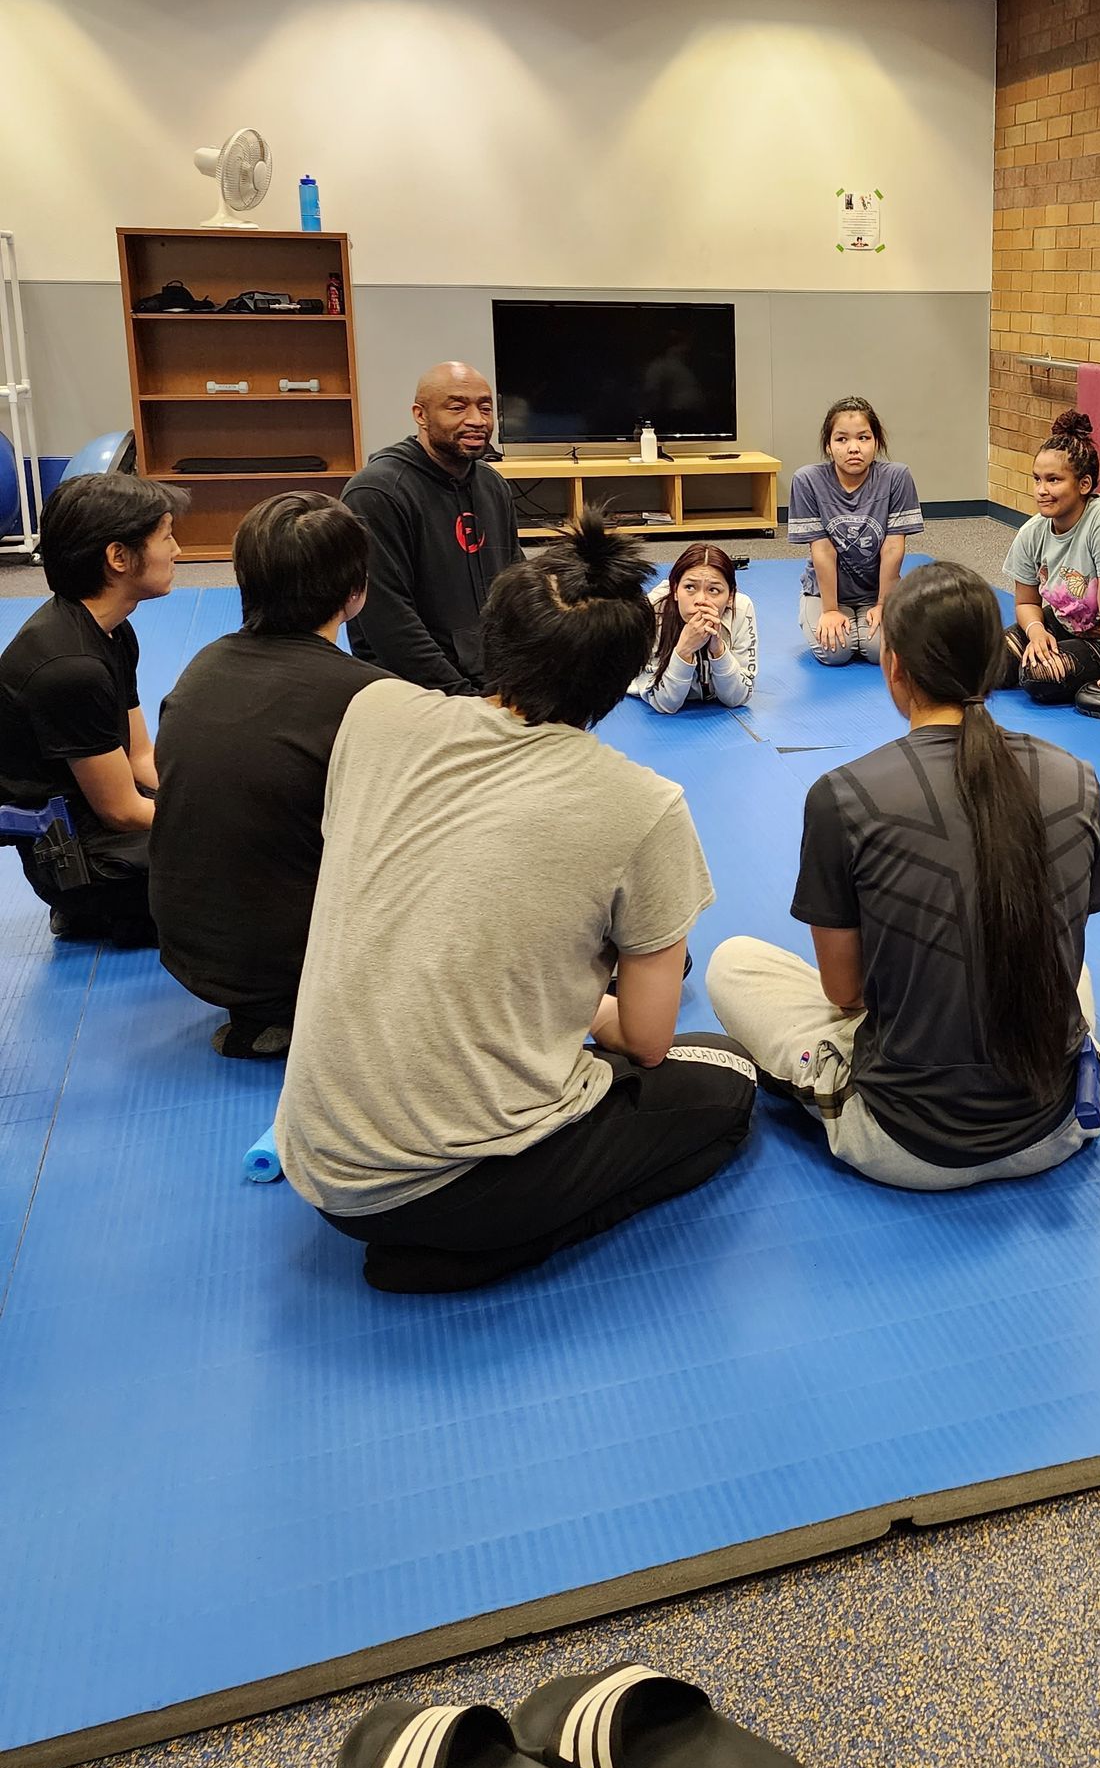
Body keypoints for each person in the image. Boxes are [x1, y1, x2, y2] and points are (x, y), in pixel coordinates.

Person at [275, 512, 755, 1293]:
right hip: (450, 1184)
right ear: (622, 671)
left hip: (318, 1151)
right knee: (727, 1079)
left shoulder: (373, 712)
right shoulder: (645, 805)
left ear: (490, 632)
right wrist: (590, 1011)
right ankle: (492, 1245)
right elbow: (647, 1042)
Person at [707, 560, 1100, 1189]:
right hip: (1060, 1124)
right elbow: (1071, 930)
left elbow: (845, 993)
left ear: (894, 667)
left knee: (732, 963)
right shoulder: (1077, 776)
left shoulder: (842, 795)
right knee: (1070, 970)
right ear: (992, 663)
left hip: (909, 1143)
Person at [150, 493, 389, 1059]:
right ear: (355, 592)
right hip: (294, 962)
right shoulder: (368, 695)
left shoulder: (203, 664)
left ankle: (268, 1012)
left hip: (187, 947)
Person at [0, 471, 182, 944]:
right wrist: (217, 822)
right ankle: (91, 910)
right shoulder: (69, 667)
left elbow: (140, 757)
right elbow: (122, 811)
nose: (177, 551)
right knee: (261, 861)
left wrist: (204, 795)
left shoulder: (111, 629)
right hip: (79, 860)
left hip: (98, 823)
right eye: (166, 537)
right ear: (118, 557)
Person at [342, 360, 522, 693]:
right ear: (420, 415)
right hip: (412, 686)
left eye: (485, 408)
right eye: (457, 408)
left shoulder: (492, 485)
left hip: (492, 680)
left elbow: (517, 585)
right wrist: (462, 698)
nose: (477, 421)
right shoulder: (377, 492)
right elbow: (387, 620)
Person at [995, 410, 1100, 716]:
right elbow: (1025, 602)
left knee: (1038, 678)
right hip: (1067, 625)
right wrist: (1036, 633)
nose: (1042, 490)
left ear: (1084, 484)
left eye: (1054, 480)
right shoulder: (1032, 532)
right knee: (991, 662)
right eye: (1037, 480)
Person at [788, 396, 922, 665]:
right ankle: (823, 613)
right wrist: (830, 610)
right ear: (828, 446)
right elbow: (823, 549)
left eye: (863, 438)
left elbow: (893, 547)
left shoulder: (897, 477)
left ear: (876, 442)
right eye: (841, 439)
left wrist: (884, 605)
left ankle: (869, 620)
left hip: (877, 590)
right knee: (835, 653)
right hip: (826, 591)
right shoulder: (808, 480)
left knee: (878, 653)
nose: (853, 448)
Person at [628, 542, 758, 713]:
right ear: (675, 589)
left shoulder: (741, 609)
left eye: (713, 590)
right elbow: (666, 703)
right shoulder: (653, 612)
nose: (701, 600)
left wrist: (718, 650)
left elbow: (737, 698)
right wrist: (684, 650)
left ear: (730, 596)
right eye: (690, 587)